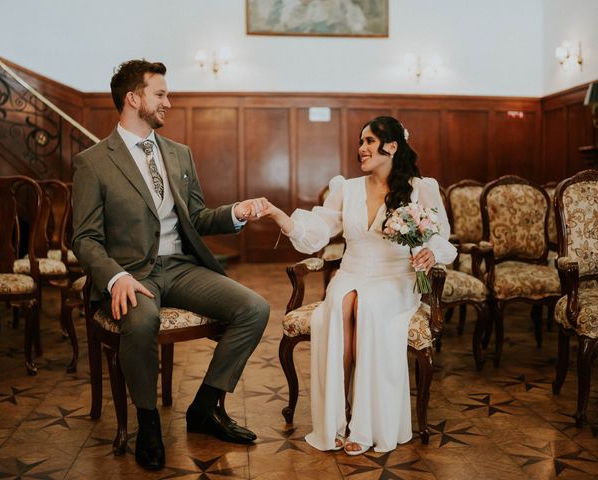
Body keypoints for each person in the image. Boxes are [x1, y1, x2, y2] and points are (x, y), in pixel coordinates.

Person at [71, 59, 270, 471]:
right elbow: (85, 238)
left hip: (180, 267)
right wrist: (116, 277)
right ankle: (147, 423)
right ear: (133, 98)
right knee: (142, 322)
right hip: (132, 275)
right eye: (160, 94)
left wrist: (236, 211)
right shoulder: (93, 162)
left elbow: (195, 218)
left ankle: (205, 405)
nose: (169, 101)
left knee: (254, 308)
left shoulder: (179, 154)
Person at [263, 116, 456, 455]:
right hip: (351, 272)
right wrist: (281, 217)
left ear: (391, 146)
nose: (361, 149)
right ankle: (337, 419)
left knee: (361, 305)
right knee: (340, 304)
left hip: (395, 277)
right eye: (360, 142)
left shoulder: (419, 189)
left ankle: (363, 423)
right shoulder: (346, 188)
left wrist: (429, 252)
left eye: (369, 141)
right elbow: (318, 231)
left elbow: (444, 240)